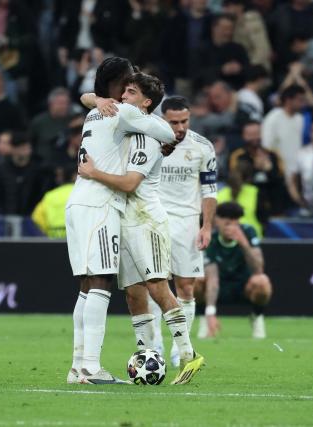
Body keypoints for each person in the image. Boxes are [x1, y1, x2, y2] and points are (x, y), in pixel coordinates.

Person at [77, 72, 205, 385]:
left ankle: (188, 355)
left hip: (146, 218)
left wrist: (93, 174)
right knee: (134, 294)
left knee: (157, 286)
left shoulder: (147, 138)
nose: (123, 96)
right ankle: (149, 353)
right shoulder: (129, 128)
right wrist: (97, 99)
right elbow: (85, 99)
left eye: (131, 92)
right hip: (124, 219)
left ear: (146, 102)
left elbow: (132, 183)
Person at [65, 57, 175, 385]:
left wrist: (95, 98)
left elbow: (86, 97)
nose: (130, 90)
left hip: (79, 201)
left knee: (86, 287)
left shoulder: (93, 110)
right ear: (115, 86)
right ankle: (90, 367)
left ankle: (77, 367)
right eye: (127, 83)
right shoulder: (125, 112)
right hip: (100, 204)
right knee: (100, 282)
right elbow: (167, 131)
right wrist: (158, 129)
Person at [146, 96, 218, 367]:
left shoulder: (202, 147)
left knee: (186, 286)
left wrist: (207, 225)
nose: (179, 127)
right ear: (162, 118)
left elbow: (210, 190)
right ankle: (156, 347)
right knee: (154, 284)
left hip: (187, 221)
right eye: (173, 122)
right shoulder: (149, 140)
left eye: (184, 121)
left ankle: (180, 349)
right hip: (152, 218)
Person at [194, 201, 273, 339]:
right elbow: (212, 278)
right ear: (217, 220)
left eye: (234, 220)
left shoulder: (248, 231)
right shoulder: (210, 238)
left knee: (262, 281)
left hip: (243, 287)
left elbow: (258, 269)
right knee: (198, 280)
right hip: (219, 288)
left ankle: (257, 317)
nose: (230, 225)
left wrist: (243, 243)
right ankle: (204, 319)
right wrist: (210, 312)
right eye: (226, 220)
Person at [261, 85, 305, 179]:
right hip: (279, 171)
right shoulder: (273, 118)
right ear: (289, 100)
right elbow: (267, 145)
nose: (303, 103)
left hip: (297, 171)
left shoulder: (300, 119)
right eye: (300, 100)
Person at [32, 166, 76, 238]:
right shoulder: (82, 194)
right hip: (77, 238)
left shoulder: (49, 196)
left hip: (54, 239)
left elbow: (36, 218)